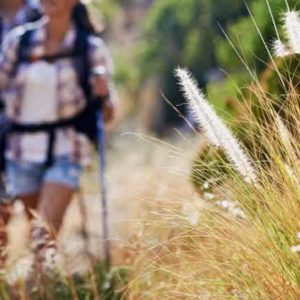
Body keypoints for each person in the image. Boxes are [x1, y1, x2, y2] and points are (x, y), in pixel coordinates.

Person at [0, 0, 116, 270]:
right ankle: (42, 282)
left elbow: (108, 114)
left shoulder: (90, 48)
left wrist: (103, 94)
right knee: (35, 229)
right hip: (21, 151)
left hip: (68, 149)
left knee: (43, 236)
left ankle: (42, 288)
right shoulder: (19, 42)